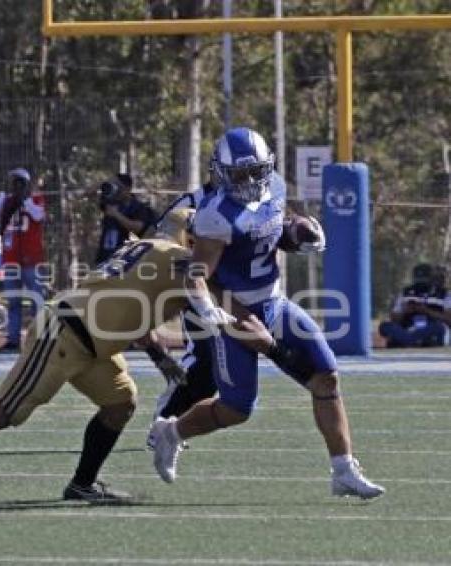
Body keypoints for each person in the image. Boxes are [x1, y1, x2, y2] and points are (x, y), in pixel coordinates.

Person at [0, 237, 282, 503]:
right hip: (64, 333)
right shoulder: (181, 266)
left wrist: (160, 358)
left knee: (121, 403)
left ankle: (82, 484)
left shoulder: (155, 251)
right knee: (1, 415)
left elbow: (129, 302)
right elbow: (196, 303)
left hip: (92, 341)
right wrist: (251, 334)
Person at [149, 126, 385, 500]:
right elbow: (198, 275)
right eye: (239, 174)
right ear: (221, 173)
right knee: (236, 409)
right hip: (235, 307)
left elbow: (274, 231)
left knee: (327, 378)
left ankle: (343, 469)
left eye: (255, 171)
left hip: (274, 301)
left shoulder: (273, 186)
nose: (249, 181)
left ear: (267, 168)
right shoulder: (216, 215)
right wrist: (210, 311)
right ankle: (171, 432)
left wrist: (298, 234)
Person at [0, 168, 46, 350]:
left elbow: (38, 215)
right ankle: (13, 339)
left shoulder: (35, 200)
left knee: (37, 300)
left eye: (20, 182)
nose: (17, 186)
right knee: (13, 301)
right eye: (14, 182)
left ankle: (40, 339)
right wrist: (7, 197)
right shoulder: (6, 201)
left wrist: (25, 200)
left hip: (32, 259)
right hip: (11, 258)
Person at [378, 263, 450, 347]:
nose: (421, 283)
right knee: (385, 326)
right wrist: (406, 311)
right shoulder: (406, 293)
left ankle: (406, 340)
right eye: (419, 280)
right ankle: (413, 340)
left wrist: (427, 311)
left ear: (432, 278)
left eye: (425, 279)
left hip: (431, 327)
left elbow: (448, 319)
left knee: (439, 328)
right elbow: (394, 318)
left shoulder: (444, 294)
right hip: (408, 327)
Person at [94, 173, 157, 264]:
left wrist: (116, 214)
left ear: (128, 189)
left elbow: (137, 227)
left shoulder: (138, 207)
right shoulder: (111, 202)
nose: (117, 190)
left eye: (120, 187)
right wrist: (106, 182)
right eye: (115, 186)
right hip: (105, 256)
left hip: (124, 258)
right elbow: (89, 193)